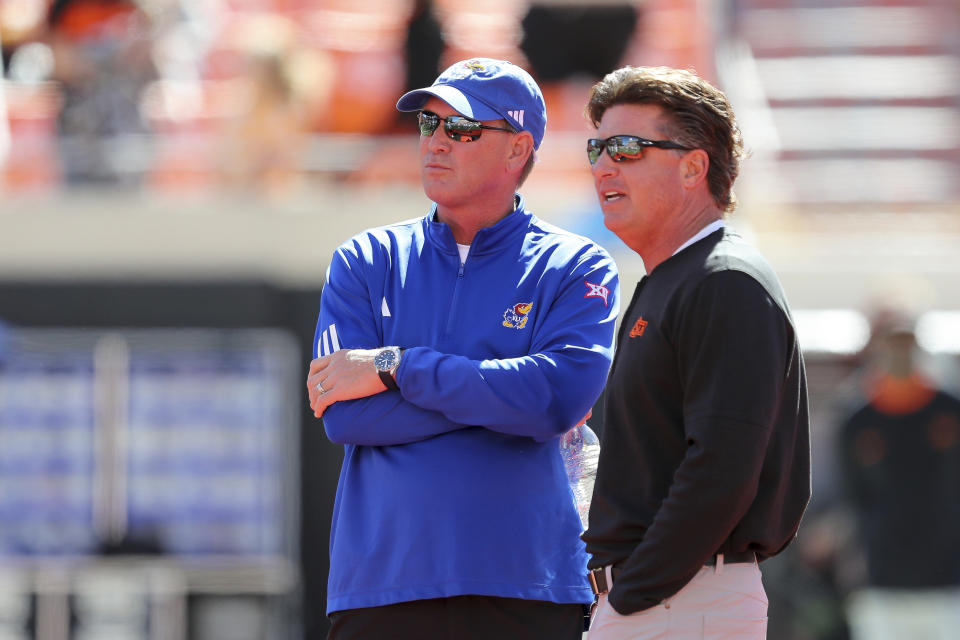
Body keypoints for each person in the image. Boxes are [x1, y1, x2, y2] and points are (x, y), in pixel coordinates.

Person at [305, 58, 619, 640]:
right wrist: (500, 399)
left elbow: (555, 400)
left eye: (463, 129)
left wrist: (395, 366)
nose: (436, 143)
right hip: (382, 585)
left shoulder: (576, 264)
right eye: (429, 125)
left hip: (528, 582)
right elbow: (345, 413)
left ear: (518, 148)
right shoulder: (364, 259)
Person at [579, 65, 811, 639]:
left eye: (627, 147)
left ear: (693, 166)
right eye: (597, 148)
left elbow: (722, 469)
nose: (604, 165)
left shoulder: (723, 280)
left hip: (680, 600)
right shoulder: (676, 277)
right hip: (667, 598)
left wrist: (632, 591)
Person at [837, 306, 960, 640]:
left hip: (947, 576)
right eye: (891, 342)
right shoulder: (857, 419)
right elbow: (851, 494)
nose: (899, 352)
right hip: (883, 576)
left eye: (906, 341)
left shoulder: (949, 409)